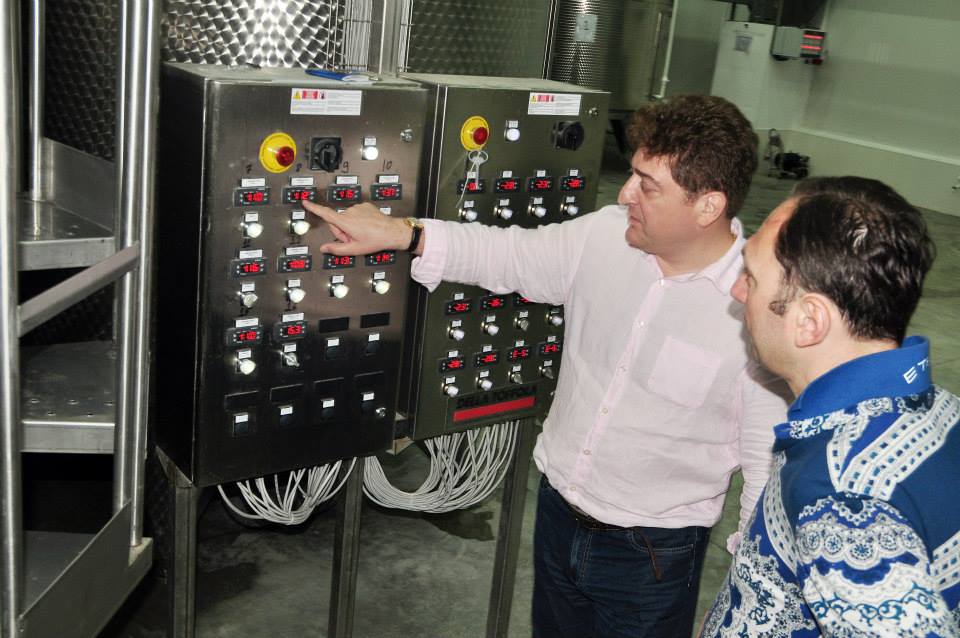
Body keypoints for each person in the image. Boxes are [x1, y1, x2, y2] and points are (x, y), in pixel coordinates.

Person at [304, 95, 789, 637]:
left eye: (648, 186)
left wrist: (747, 606)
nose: (625, 194)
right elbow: (507, 254)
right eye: (631, 174)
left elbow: (767, 471)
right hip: (558, 514)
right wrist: (404, 233)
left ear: (707, 206)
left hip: (652, 553)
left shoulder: (758, 313)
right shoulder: (604, 236)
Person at [702, 176, 960, 636]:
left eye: (752, 277)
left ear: (809, 321)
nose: (738, 292)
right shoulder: (941, 410)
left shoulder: (841, 495)